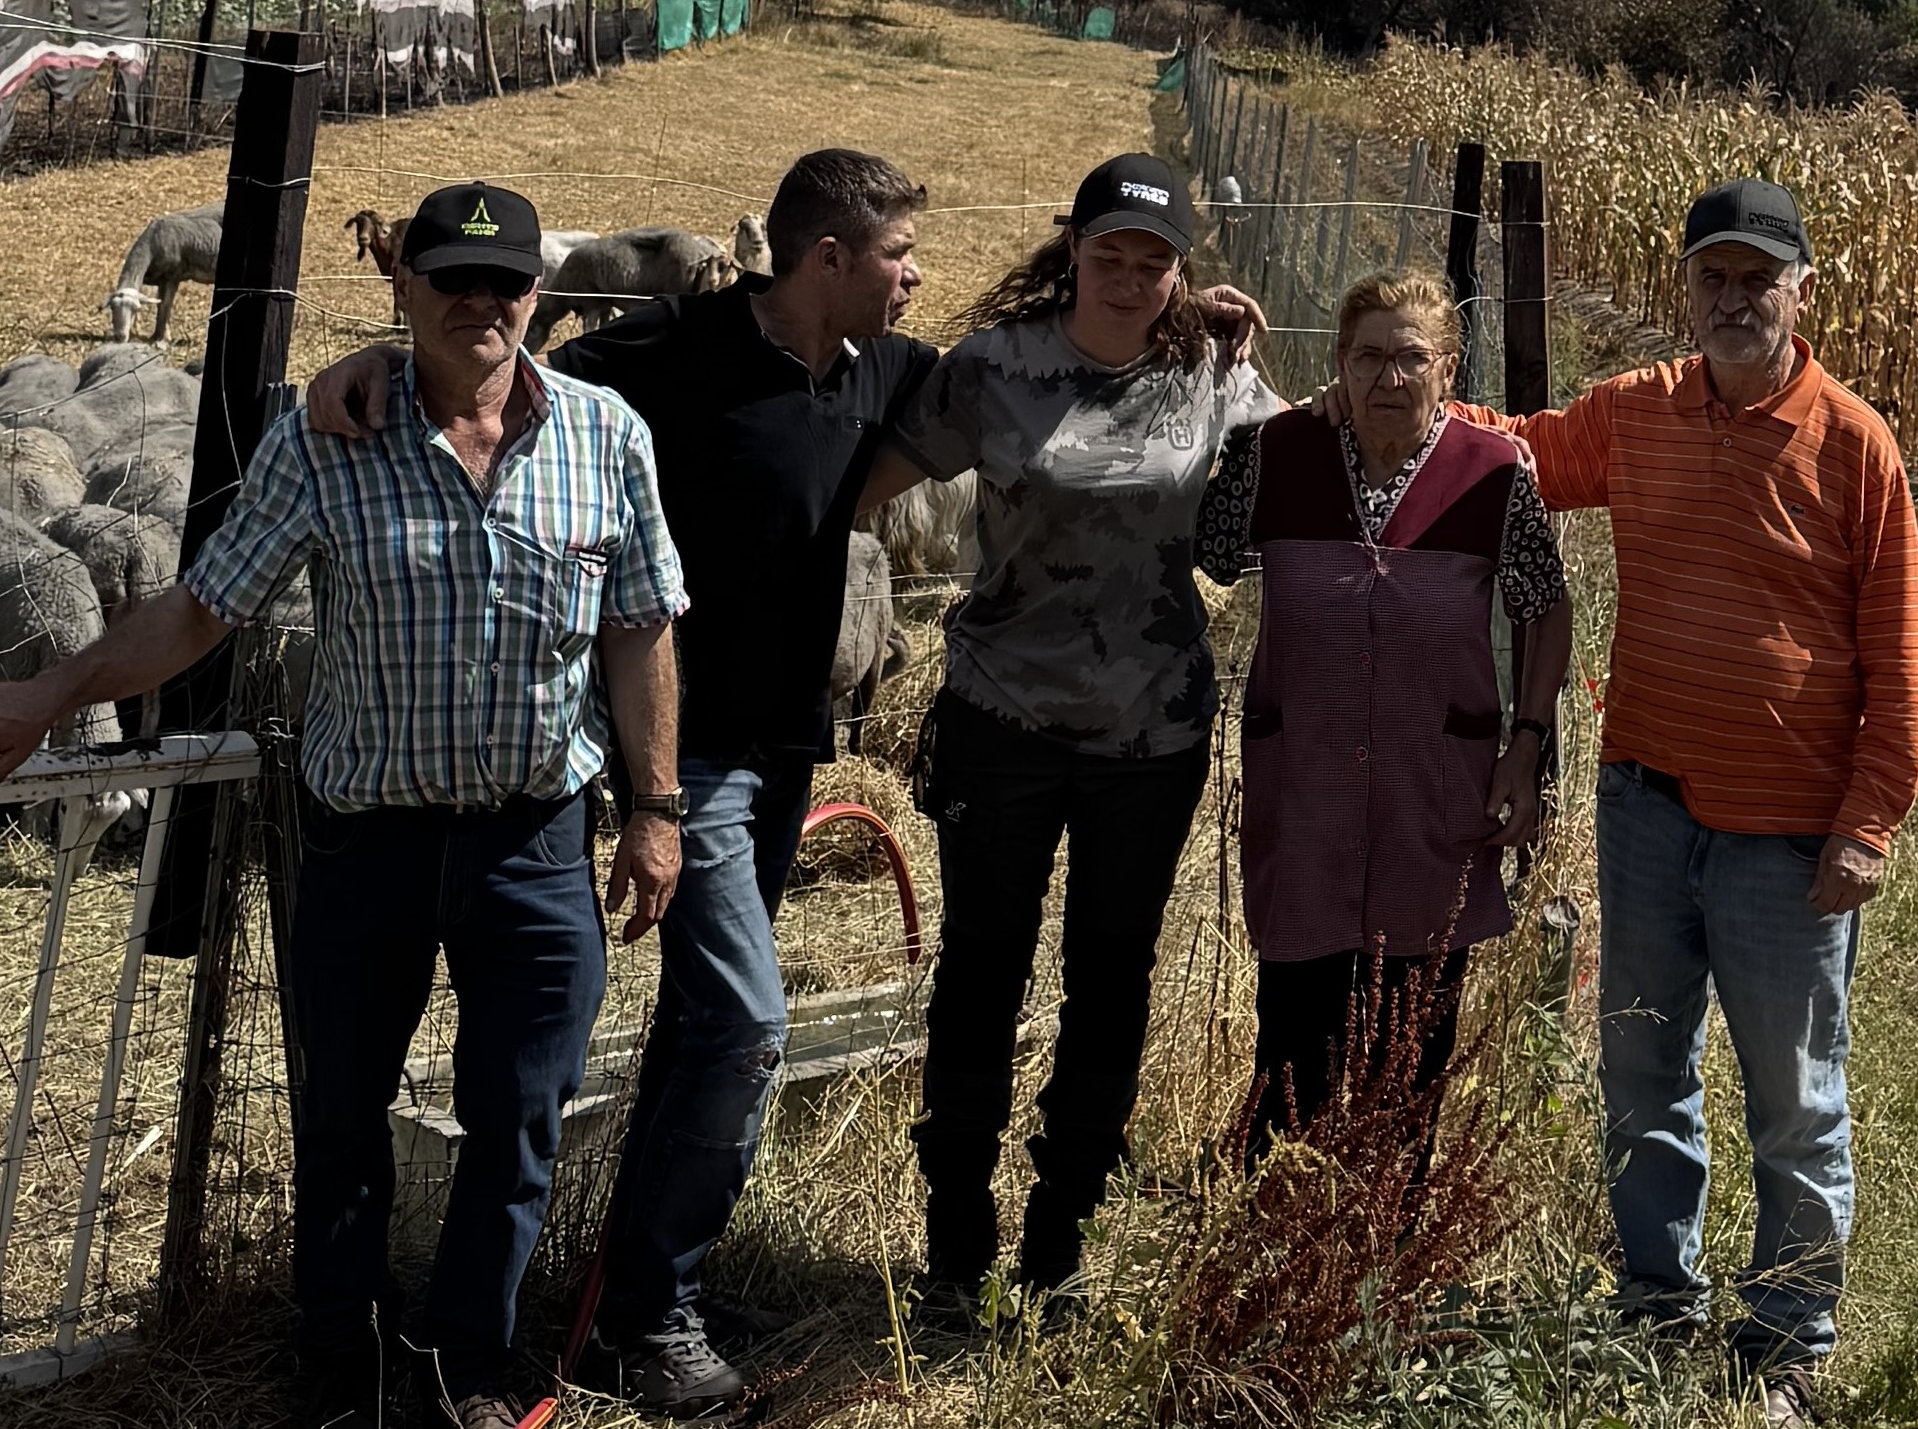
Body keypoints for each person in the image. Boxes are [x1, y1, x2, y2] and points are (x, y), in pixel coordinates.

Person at [0, 182, 684, 1429]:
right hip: (366, 841)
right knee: (342, 1121)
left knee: (517, 1127)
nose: (479, 304)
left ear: (537, 297)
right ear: (404, 289)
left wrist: (657, 810)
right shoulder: (328, 435)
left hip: (534, 841)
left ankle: (464, 1372)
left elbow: (643, 628)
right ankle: (337, 1367)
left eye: (504, 283)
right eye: (450, 279)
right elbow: (199, 608)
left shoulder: (607, 438)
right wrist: (49, 692)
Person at [303, 150, 939, 1413]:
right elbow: (496, 378)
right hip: (678, 758)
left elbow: (1053, 353)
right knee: (747, 1024)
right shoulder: (664, 349)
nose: (916, 278)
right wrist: (373, 363)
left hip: (779, 751)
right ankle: (647, 1313)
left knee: (701, 1034)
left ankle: (621, 1304)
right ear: (827, 259)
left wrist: (1191, 324)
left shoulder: (889, 370)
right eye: (898, 256)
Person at [1477, 179, 1918, 1426]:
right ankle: (1654, 1297)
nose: (1733, 301)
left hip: (1788, 835)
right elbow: (1513, 447)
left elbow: (1899, 656)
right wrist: (1382, 398)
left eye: (1757, 280)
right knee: (1641, 1059)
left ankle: (1788, 1334)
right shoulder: (1639, 414)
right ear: (1687, 289)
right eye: (1712, 280)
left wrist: (1869, 820)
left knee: (1793, 1095)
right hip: (1646, 805)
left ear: (1801, 291)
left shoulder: (1852, 443)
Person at [858, 152, 1273, 1327]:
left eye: (1154, 261)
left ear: (1181, 270)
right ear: (1073, 250)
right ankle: (952, 1251)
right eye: (1109, 256)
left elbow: (1281, 488)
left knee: (1110, 981)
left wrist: (1261, 358)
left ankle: (1060, 1252)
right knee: (982, 974)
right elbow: (863, 478)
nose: (1130, 279)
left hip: (1152, 736)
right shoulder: (996, 368)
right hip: (1002, 720)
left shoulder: (1212, 371)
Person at [1196, 267, 1568, 1156]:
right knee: (1292, 1038)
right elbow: (1208, 549)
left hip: (1432, 798)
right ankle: (1281, 1244)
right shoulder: (1279, 452)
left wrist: (1526, 745)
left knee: (1414, 1046)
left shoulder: (1492, 475)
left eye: (1411, 358)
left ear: (1447, 368)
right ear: (1338, 364)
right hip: (1308, 796)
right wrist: (1220, 382)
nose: (1388, 379)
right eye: (1367, 357)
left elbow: (1543, 604)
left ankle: (1384, 1254)